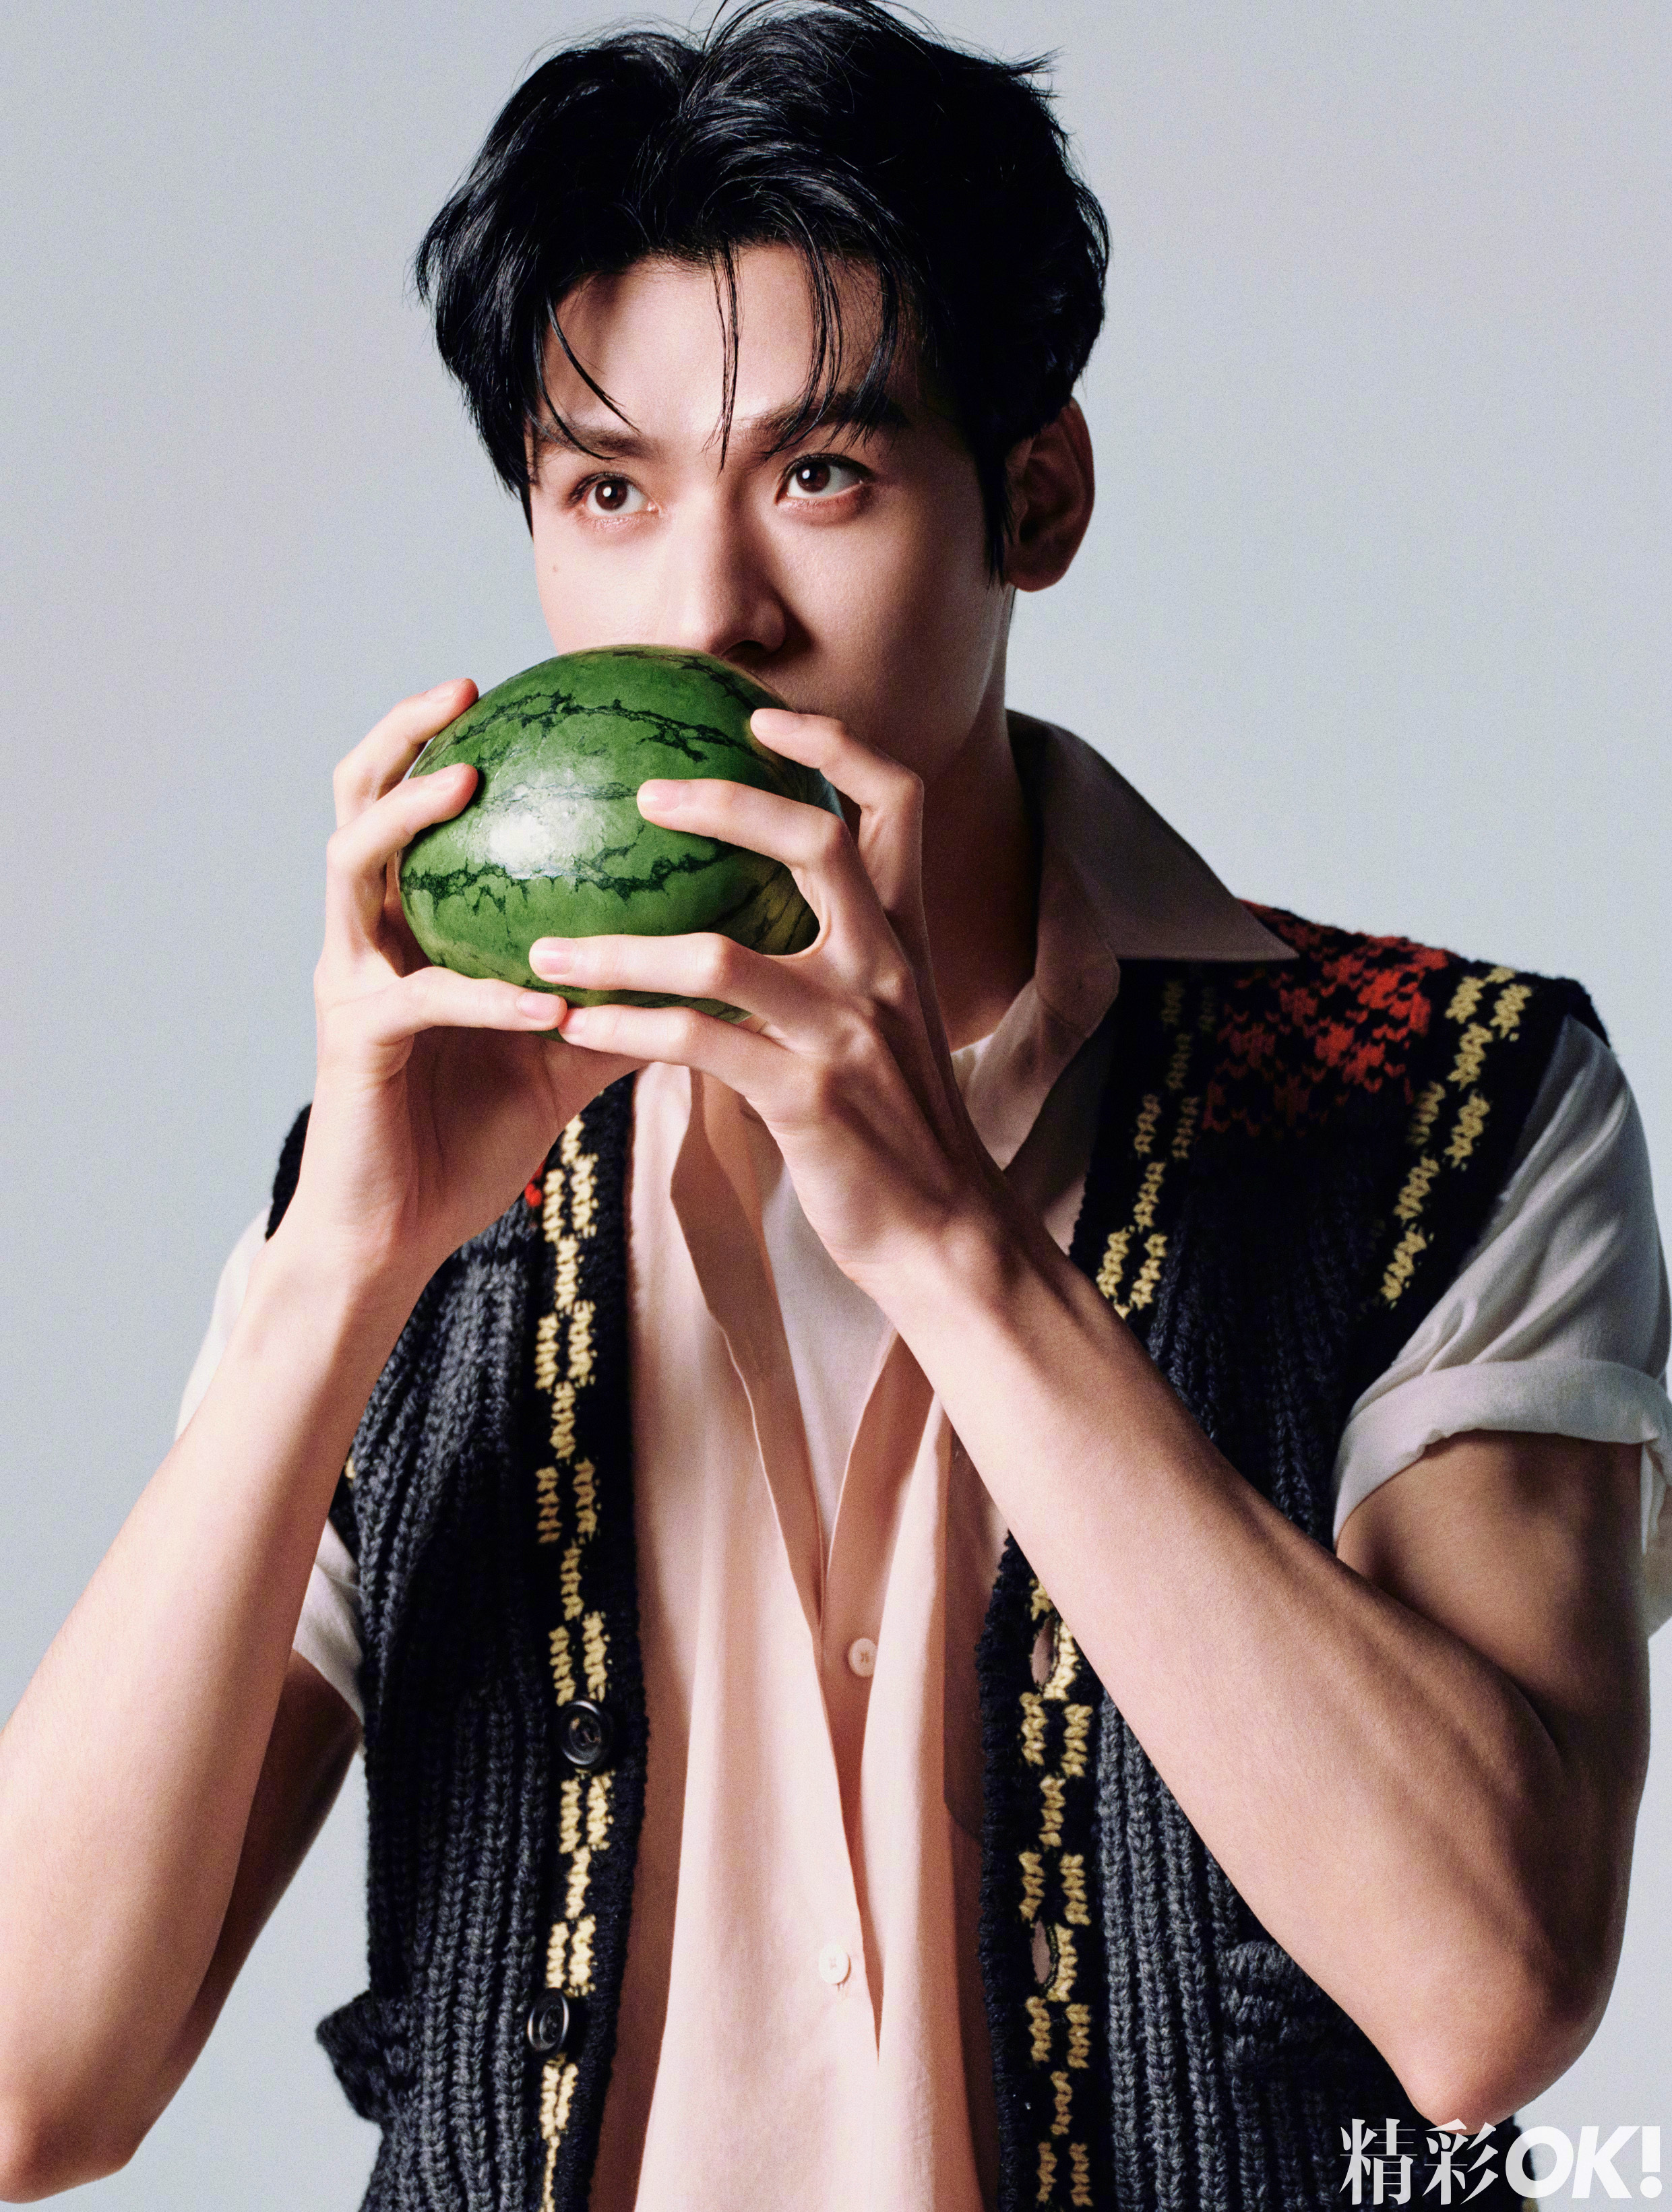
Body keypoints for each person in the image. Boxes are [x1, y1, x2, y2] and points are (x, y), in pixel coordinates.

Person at [1, 4, 1667, 2207]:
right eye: (607, 493)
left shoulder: (1442, 1097)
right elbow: (30, 2091)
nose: (707, 614)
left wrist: (959, 1251)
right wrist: (340, 1274)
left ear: (1034, 498)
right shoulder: (398, 1198)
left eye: (820, 476)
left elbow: (1486, 1997)